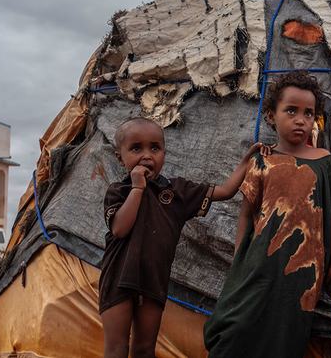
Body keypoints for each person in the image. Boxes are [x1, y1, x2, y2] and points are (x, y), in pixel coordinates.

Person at [204, 71, 331, 357]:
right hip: (261, 261)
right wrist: (239, 258)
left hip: (305, 269)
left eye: (308, 113)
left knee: (287, 331)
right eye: (291, 111)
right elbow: (246, 213)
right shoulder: (263, 160)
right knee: (237, 324)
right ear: (271, 115)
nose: (300, 119)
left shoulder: (324, 161)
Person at [99, 117, 253, 358]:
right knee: (116, 349)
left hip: (154, 279)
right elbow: (119, 229)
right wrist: (137, 188)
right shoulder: (118, 191)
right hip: (118, 276)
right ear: (120, 157)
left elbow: (224, 191)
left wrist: (247, 161)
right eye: (136, 148)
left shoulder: (177, 191)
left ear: (164, 153)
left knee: (144, 349)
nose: (147, 155)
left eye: (155, 148)